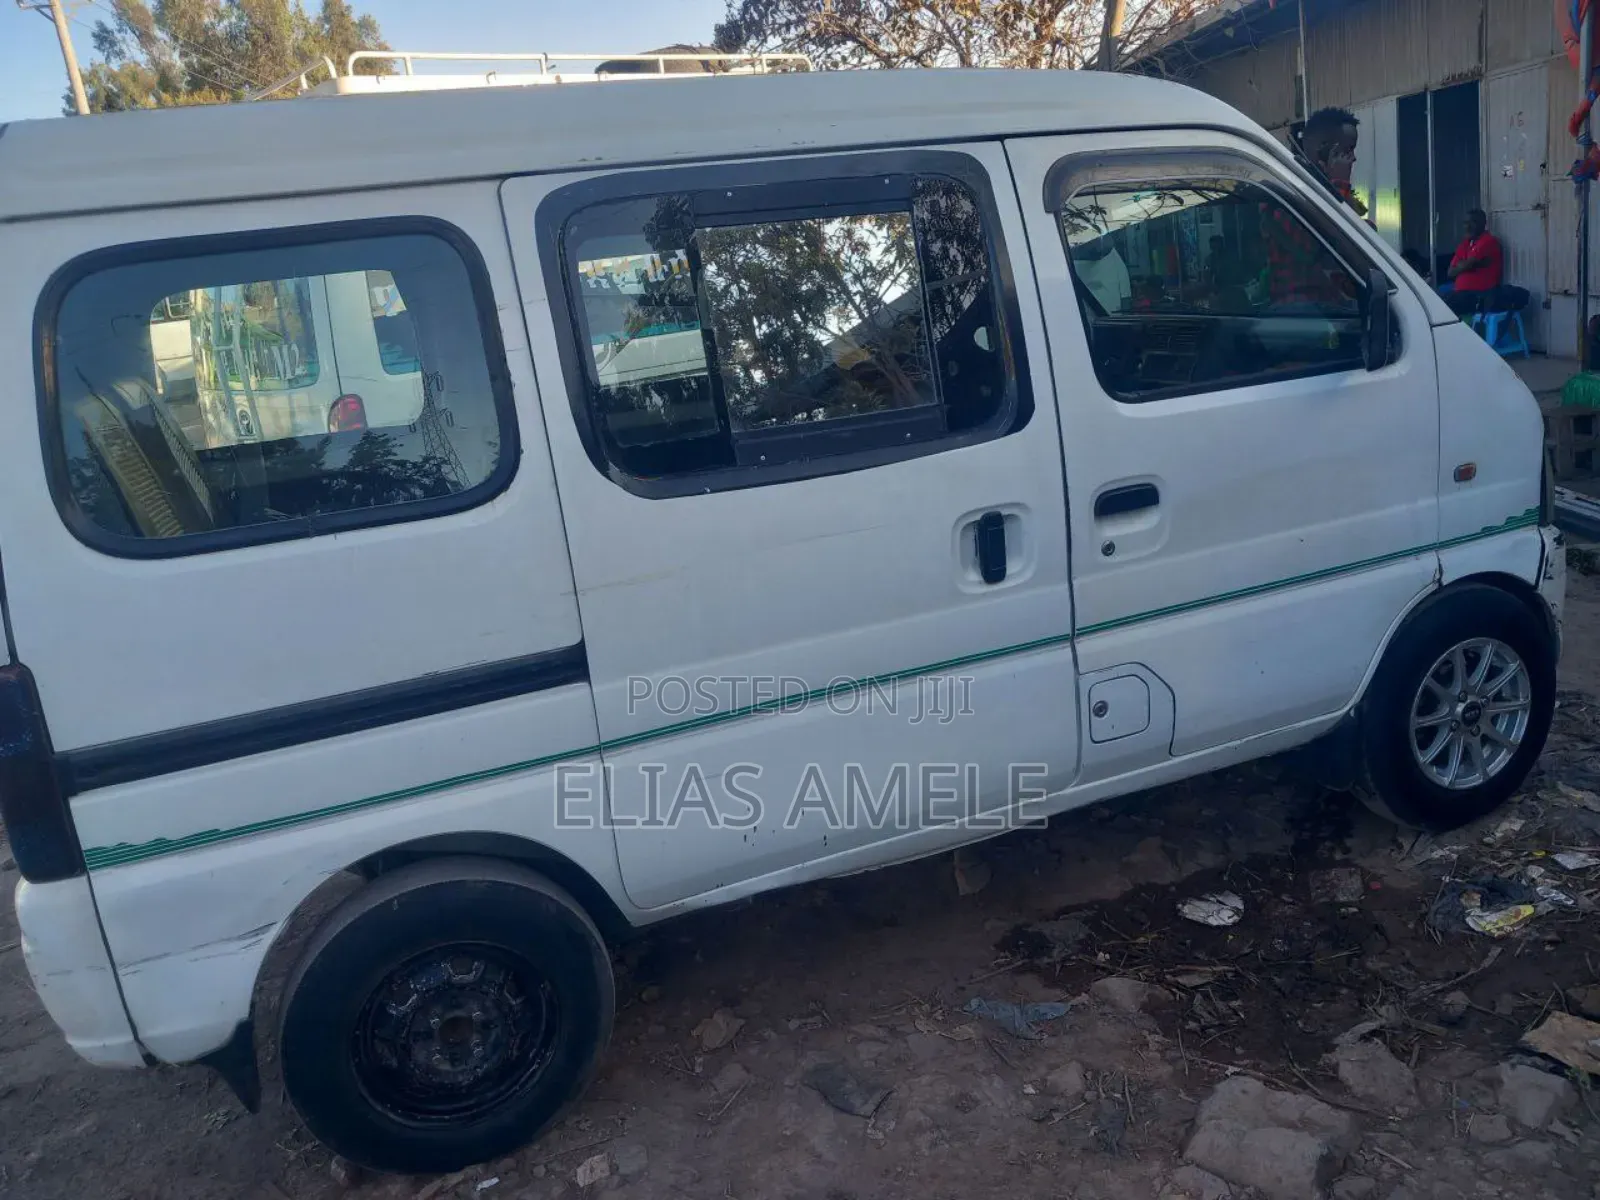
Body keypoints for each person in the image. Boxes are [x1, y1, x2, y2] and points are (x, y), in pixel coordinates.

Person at [1295, 107, 1368, 218]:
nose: (1353, 158)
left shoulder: (1345, 196)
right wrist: (1340, 183)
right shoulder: (1296, 199)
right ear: (1322, 152)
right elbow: (1335, 227)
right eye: (1348, 150)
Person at [1442, 209, 1504, 316]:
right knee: (1433, 297)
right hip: (1462, 292)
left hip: (1481, 295)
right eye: (1465, 223)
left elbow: (1467, 264)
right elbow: (1450, 272)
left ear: (1483, 224)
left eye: (1473, 222)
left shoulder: (1488, 241)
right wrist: (1468, 266)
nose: (1468, 226)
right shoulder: (1466, 243)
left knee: (1442, 306)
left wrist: (1464, 265)